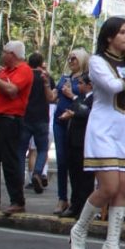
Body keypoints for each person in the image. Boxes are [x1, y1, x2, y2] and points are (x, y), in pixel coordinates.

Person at [68, 18, 125, 249]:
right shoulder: (97, 61)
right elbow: (112, 87)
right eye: (121, 32)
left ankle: (112, 244)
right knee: (109, 187)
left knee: (124, 188)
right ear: (109, 37)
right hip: (103, 128)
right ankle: (79, 229)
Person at [0, 42, 34, 215]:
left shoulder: (24, 70)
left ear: (13, 54)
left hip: (10, 120)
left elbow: (12, 90)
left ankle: (17, 200)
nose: (2, 55)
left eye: (5, 52)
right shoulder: (4, 71)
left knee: (9, 161)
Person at [53, 48, 90, 215]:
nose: (71, 61)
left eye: (74, 58)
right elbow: (53, 96)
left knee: (75, 163)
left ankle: (78, 201)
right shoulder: (64, 77)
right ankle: (62, 198)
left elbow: (87, 101)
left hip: (75, 122)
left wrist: (70, 94)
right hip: (59, 121)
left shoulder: (86, 78)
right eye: (69, 58)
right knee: (61, 161)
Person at [59, 72, 94, 219]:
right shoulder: (80, 98)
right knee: (74, 176)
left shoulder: (94, 99)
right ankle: (75, 205)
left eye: (81, 83)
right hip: (73, 142)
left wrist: (74, 114)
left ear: (89, 85)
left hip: (84, 143)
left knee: (85, 179)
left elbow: (87, 113)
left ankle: (83, 208)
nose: (78, 86)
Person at [19, 51, 55, 194]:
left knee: (21, 150)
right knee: (42, 149)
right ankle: (37, 172)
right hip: (42, 117)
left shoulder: (25, 75)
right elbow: (51, 96)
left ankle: (18, 177)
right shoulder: (45, 77)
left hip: (25, 116)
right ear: (41, 63)